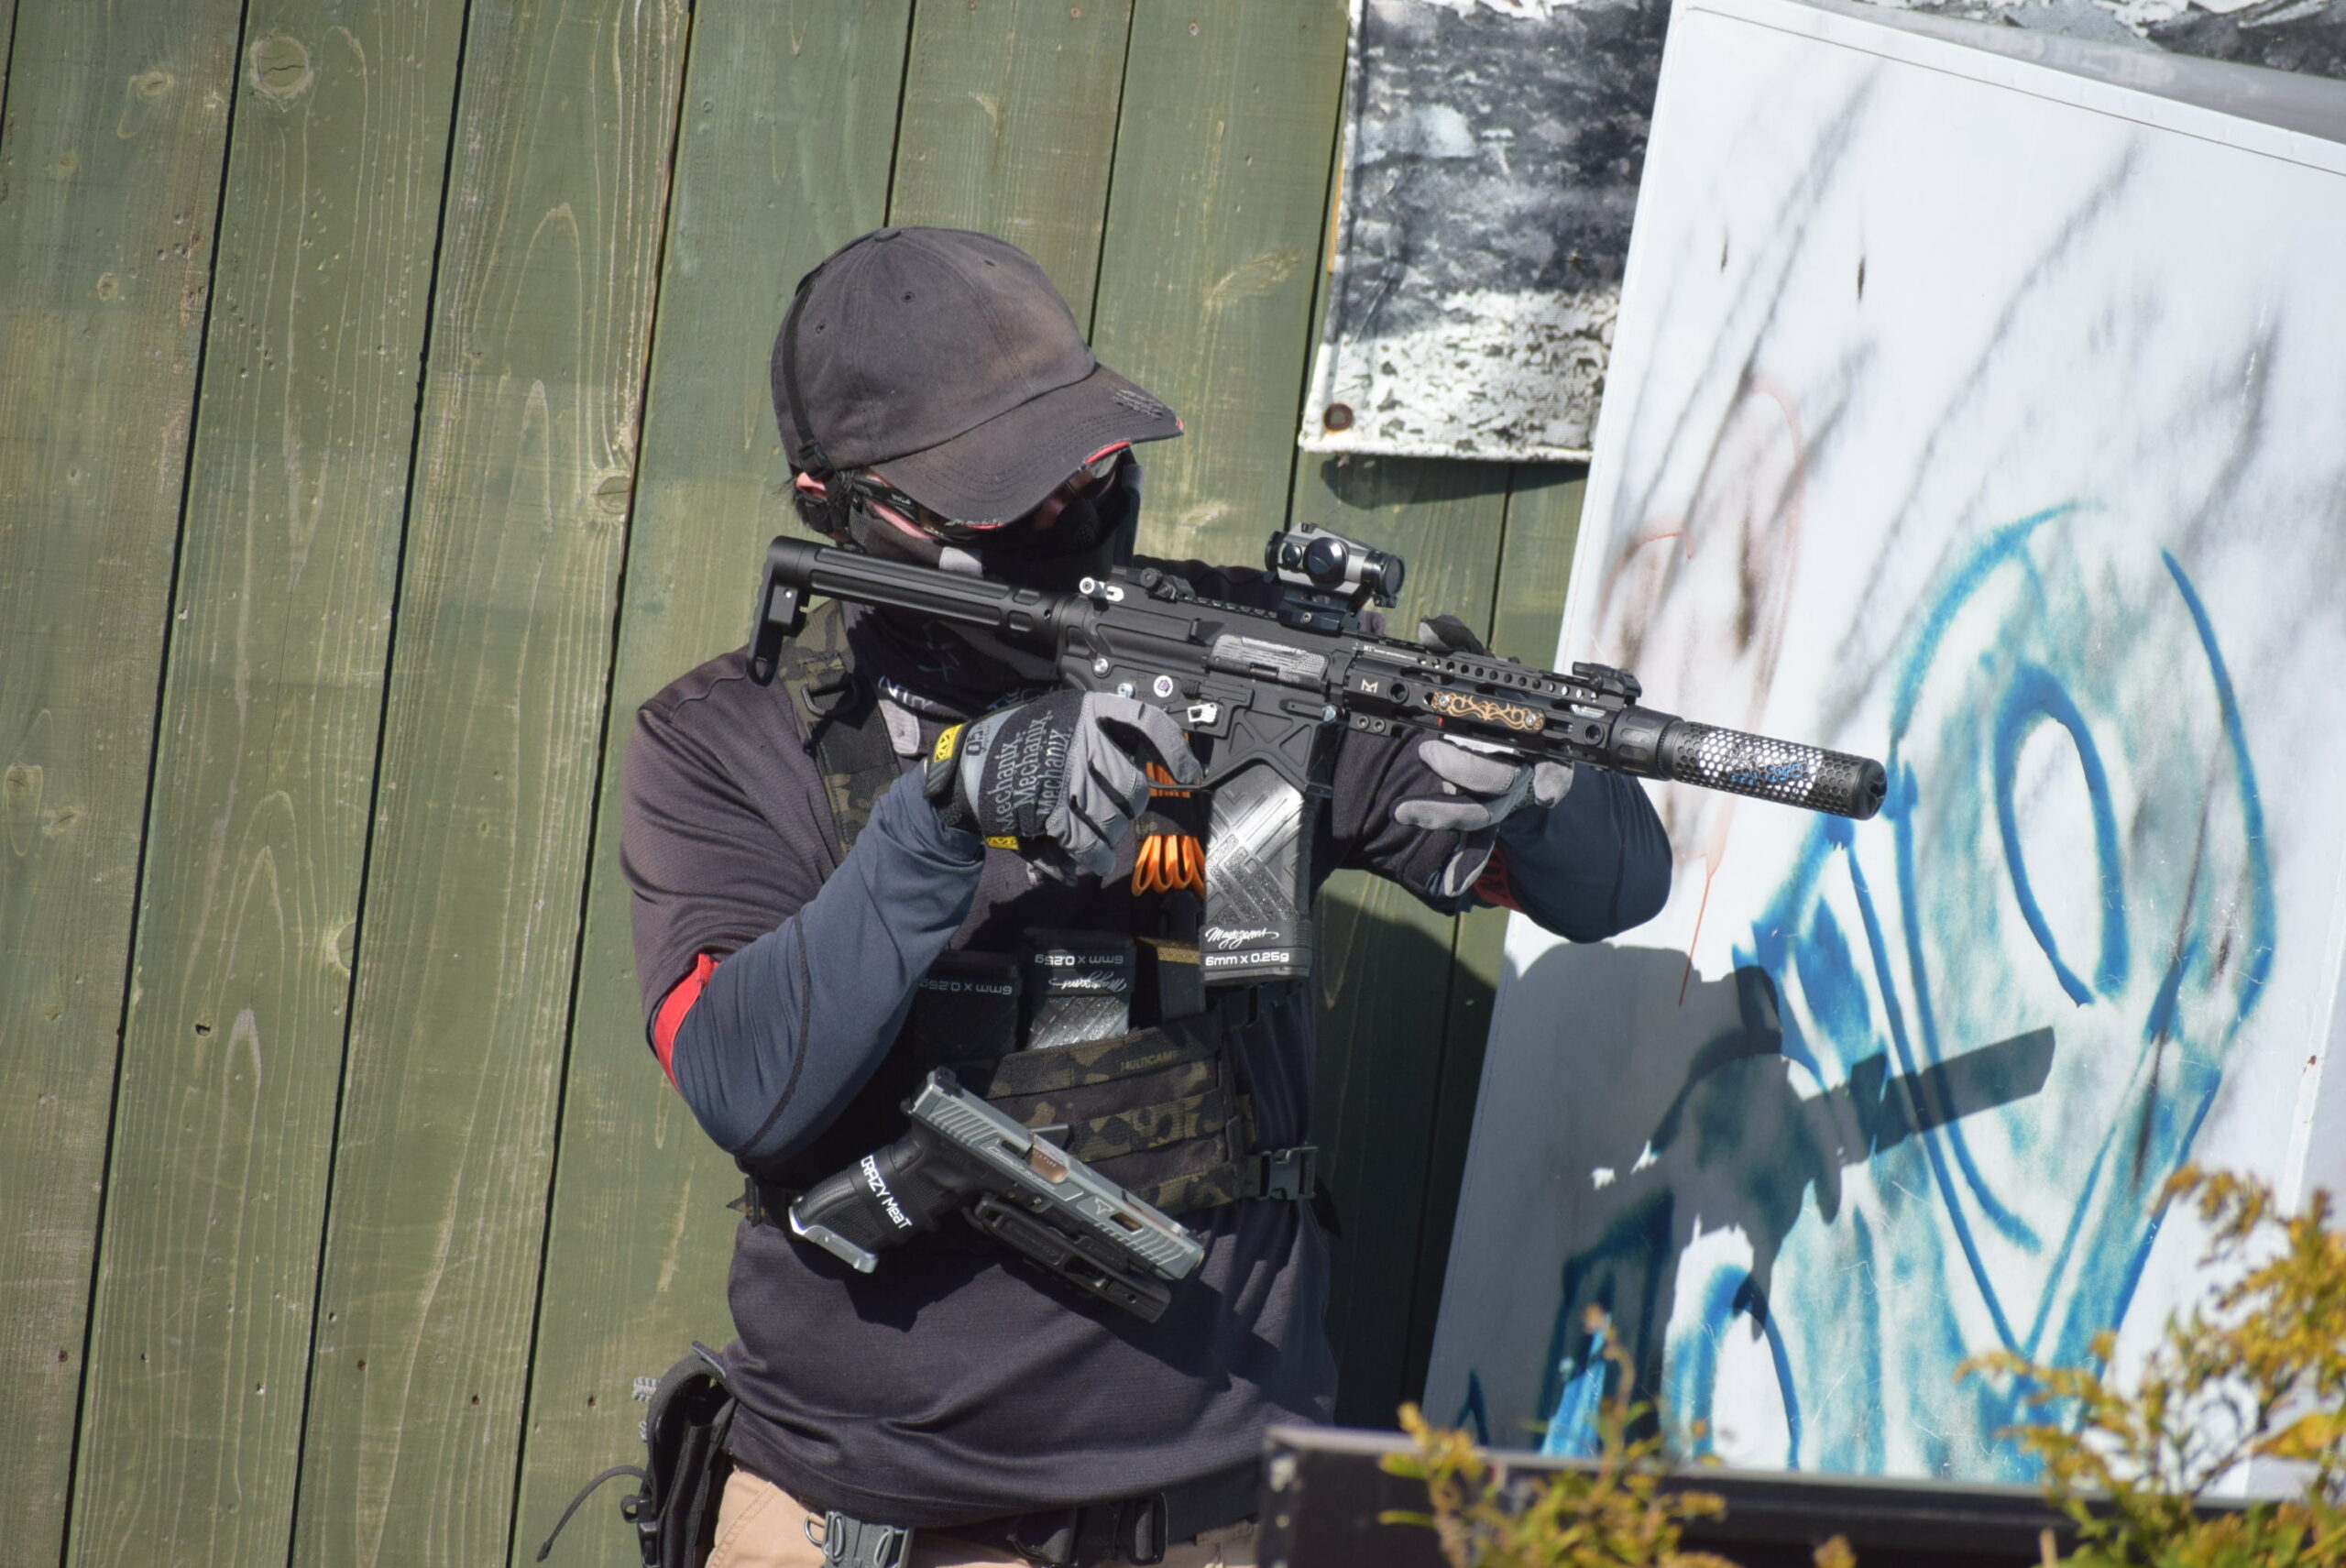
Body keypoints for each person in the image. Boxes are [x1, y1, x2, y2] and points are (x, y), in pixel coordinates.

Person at [619, 226, 1672, 1568]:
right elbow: (743, 1081)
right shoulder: (732, 739)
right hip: (873, 1520)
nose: (1069, 517)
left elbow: (1617, 889)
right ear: (846, 506)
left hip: (1225, 1513)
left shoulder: (1251, 665)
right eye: (1007, 500)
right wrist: (945, 812)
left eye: (1088, 469)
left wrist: (1538, 792)